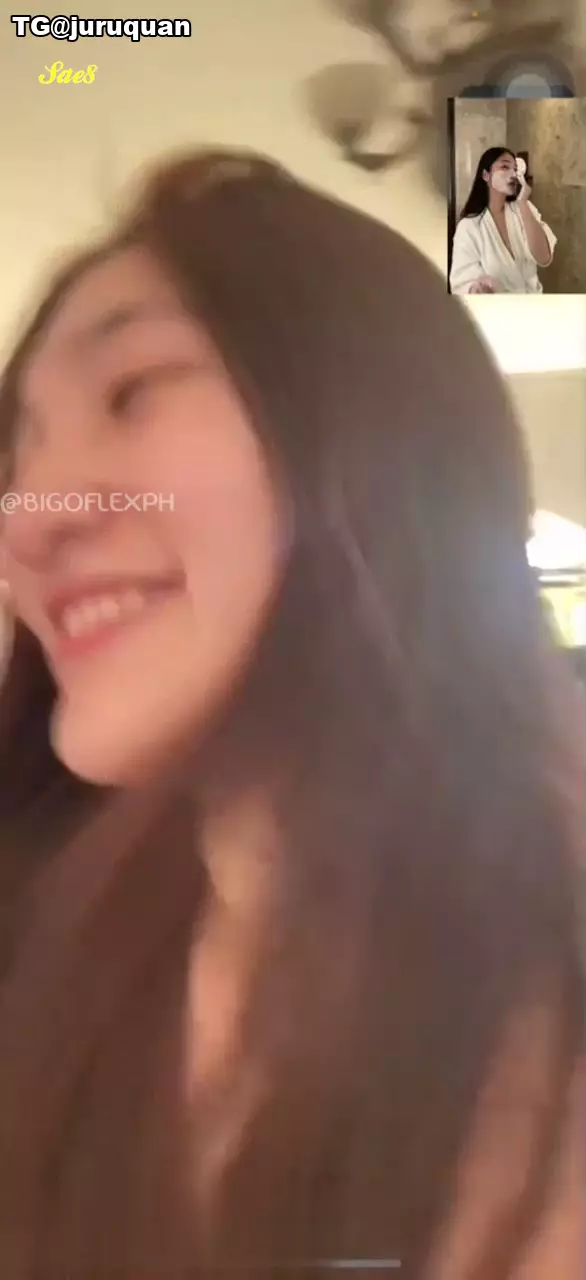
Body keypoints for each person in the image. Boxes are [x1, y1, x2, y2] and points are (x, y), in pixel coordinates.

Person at [0, 149, 583, 1280]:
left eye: (135, 392)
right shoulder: (55, 940)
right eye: (19, 455)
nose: (28, 519)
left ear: (375, 431)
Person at [450, 146, 557, 294]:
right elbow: (462, 283)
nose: (513, 174)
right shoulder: (469, 227)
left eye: (515, 169)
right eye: (505, 167)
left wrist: (523, 203)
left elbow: (544, 258)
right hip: (496, 306)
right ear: (486, 175)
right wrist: (477, 288)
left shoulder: (523, 209)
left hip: (533, 304)